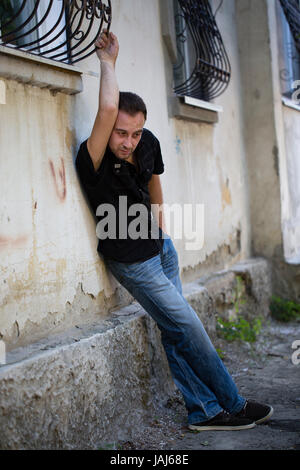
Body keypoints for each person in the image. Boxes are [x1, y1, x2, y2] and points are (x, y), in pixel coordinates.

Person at [75, 30, 273, 431]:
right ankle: (232, 402)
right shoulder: (91, 160)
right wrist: (109, 62)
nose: (128, 142)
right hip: (132, 262)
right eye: (120, 132)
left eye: (134, 133)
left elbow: (154, 185)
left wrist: (163, 232)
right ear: (108, 127)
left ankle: (203, 411)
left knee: (175, 331)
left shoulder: (147, 143)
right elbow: (107, 106)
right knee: (188, 326)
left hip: (160, 250)